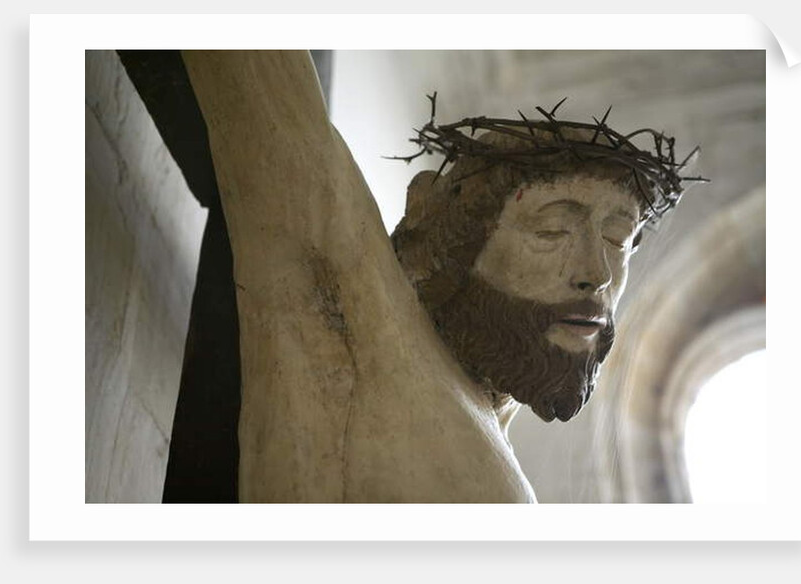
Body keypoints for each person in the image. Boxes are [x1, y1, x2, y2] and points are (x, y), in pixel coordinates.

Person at [181, 50, 702, 503]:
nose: (597, 273)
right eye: (552, 229)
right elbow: (267, 96)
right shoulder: (366, 336)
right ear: (461, 244)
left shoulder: (485, 423)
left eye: (618, 239)